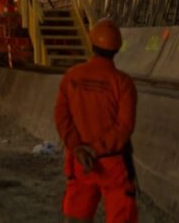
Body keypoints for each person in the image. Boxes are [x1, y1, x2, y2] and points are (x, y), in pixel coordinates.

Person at [53, 18, 138, 223]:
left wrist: (79, 148)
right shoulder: (123, 83)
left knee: (77, 217)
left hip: (80, 161)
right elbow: (124, 127)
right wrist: (97, 149)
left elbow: (61, 116)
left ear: (91, 44)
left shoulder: (72, 76)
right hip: (113, 164)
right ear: (117, 50)